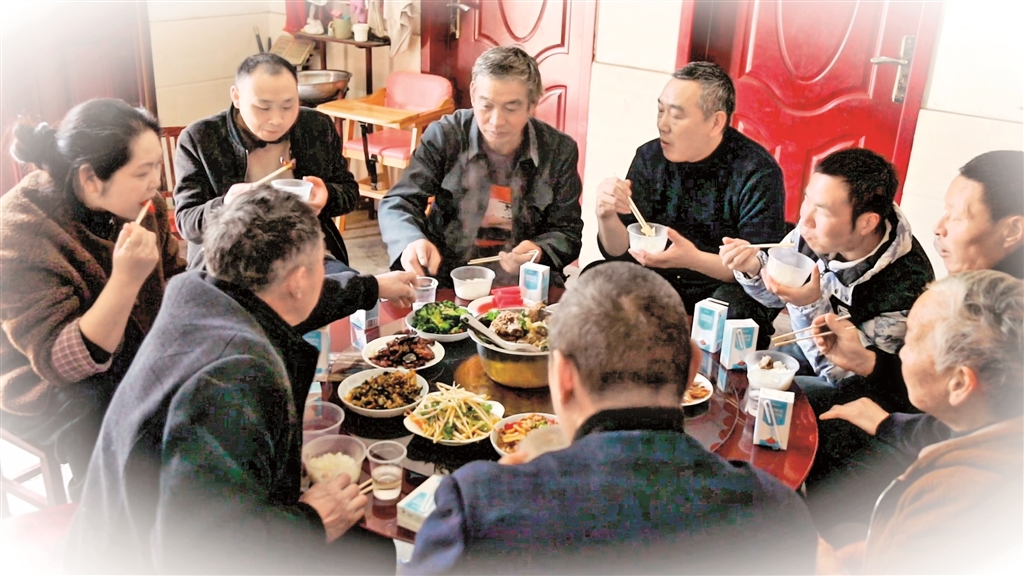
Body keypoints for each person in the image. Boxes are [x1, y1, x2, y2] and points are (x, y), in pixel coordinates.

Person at [404, 262, 818, 575]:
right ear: (693, 366)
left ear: (562, 376)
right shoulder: (775, 510)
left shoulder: (478, 507)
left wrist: (506, 487)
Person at [66, 187, 401, 574]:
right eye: (322, 263)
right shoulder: (234, 374)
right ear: (297, 281)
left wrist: (371, 287)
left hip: (120, 525)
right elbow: (203, 552)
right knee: (372, 552)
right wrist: (312, 522)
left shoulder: (199, 293)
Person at [799, 151, 1024, 536]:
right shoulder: (977, 281)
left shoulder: (1003, 314)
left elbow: (967, 422)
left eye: (958, 216)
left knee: (830, 436)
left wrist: (889, 425)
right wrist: (868, 363)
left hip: (950, 458)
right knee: (802, 397)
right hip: (924, 418)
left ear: (1012, 230)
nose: (939, 228)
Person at [1, 99, 184, 499]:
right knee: (109, 414)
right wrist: (125, 281)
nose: (156, 183)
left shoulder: (141, 204)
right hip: (41, 381)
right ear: (89, 178)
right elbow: (58, 362)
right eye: (142, 172)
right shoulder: (21, 231)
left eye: (157, 166)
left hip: (125, 348)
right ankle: (106, 522)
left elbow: (175, 276)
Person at [817, 270, 1024, 574]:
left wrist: (826, 567)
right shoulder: (994, 418)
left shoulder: (950, 505)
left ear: (959, 384)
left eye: (912, 340)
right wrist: (887, 422)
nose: (901, 353)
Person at [595, 62, 786, 348]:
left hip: (721, 286)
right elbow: (620, 252)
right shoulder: (649, 157)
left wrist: (691, 258)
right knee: (595, 279)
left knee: (734, 311)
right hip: (657, 279)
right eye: (660, 111)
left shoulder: (756, 171)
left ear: (715, 122)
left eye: (676, 115)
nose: (663, 124)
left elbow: (757, 272)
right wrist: (606, 216)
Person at [721, 147, 934, 398]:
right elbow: (776, 297)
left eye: (822, 211)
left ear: (867, 223)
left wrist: (806, 305)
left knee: (771, 396)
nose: (805, 220)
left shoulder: (906, 288)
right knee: (745, 372)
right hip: (809, 345)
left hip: (864, 388)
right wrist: (753, 268)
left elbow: (852, 375)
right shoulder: (813, 234)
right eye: (806, 199)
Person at [377, 46, 583, 288]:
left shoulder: (558, 151)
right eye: (486, 106)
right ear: (474, 94)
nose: (496, 121)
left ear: (532, 104)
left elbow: (567, 232)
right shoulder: (446, 136)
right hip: (447, 274)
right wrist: (411, 240)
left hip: (524, 281)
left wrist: (539, 251)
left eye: (511, 108)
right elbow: (399, 201)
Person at [173, 53, 359, 272]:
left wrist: (327, 196)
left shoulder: (316, 126)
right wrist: (226, 205)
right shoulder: (200, 138)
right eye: (263, 107)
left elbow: (349, 192)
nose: (277, 119)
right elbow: (186, 222)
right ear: (237, 97)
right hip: (231, 260)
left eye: (288, 106)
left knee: (349, 284)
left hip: (306, 253)